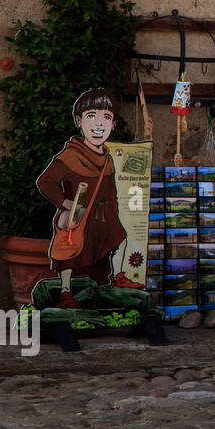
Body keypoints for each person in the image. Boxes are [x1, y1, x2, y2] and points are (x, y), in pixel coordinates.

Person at [35, 87, 142, 308]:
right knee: (69, 253)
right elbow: (44, 181)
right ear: (79, 120)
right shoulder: (70, 155)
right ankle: (65, 291)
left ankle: (117, 277)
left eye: (106, 117)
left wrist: (114, 213)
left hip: (104, 214)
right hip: (78, 214)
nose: (98, 124)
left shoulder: (108, 158)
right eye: (91, 116)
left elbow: (110, 189)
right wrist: (65, 203)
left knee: (119, 240)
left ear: (113, 125)